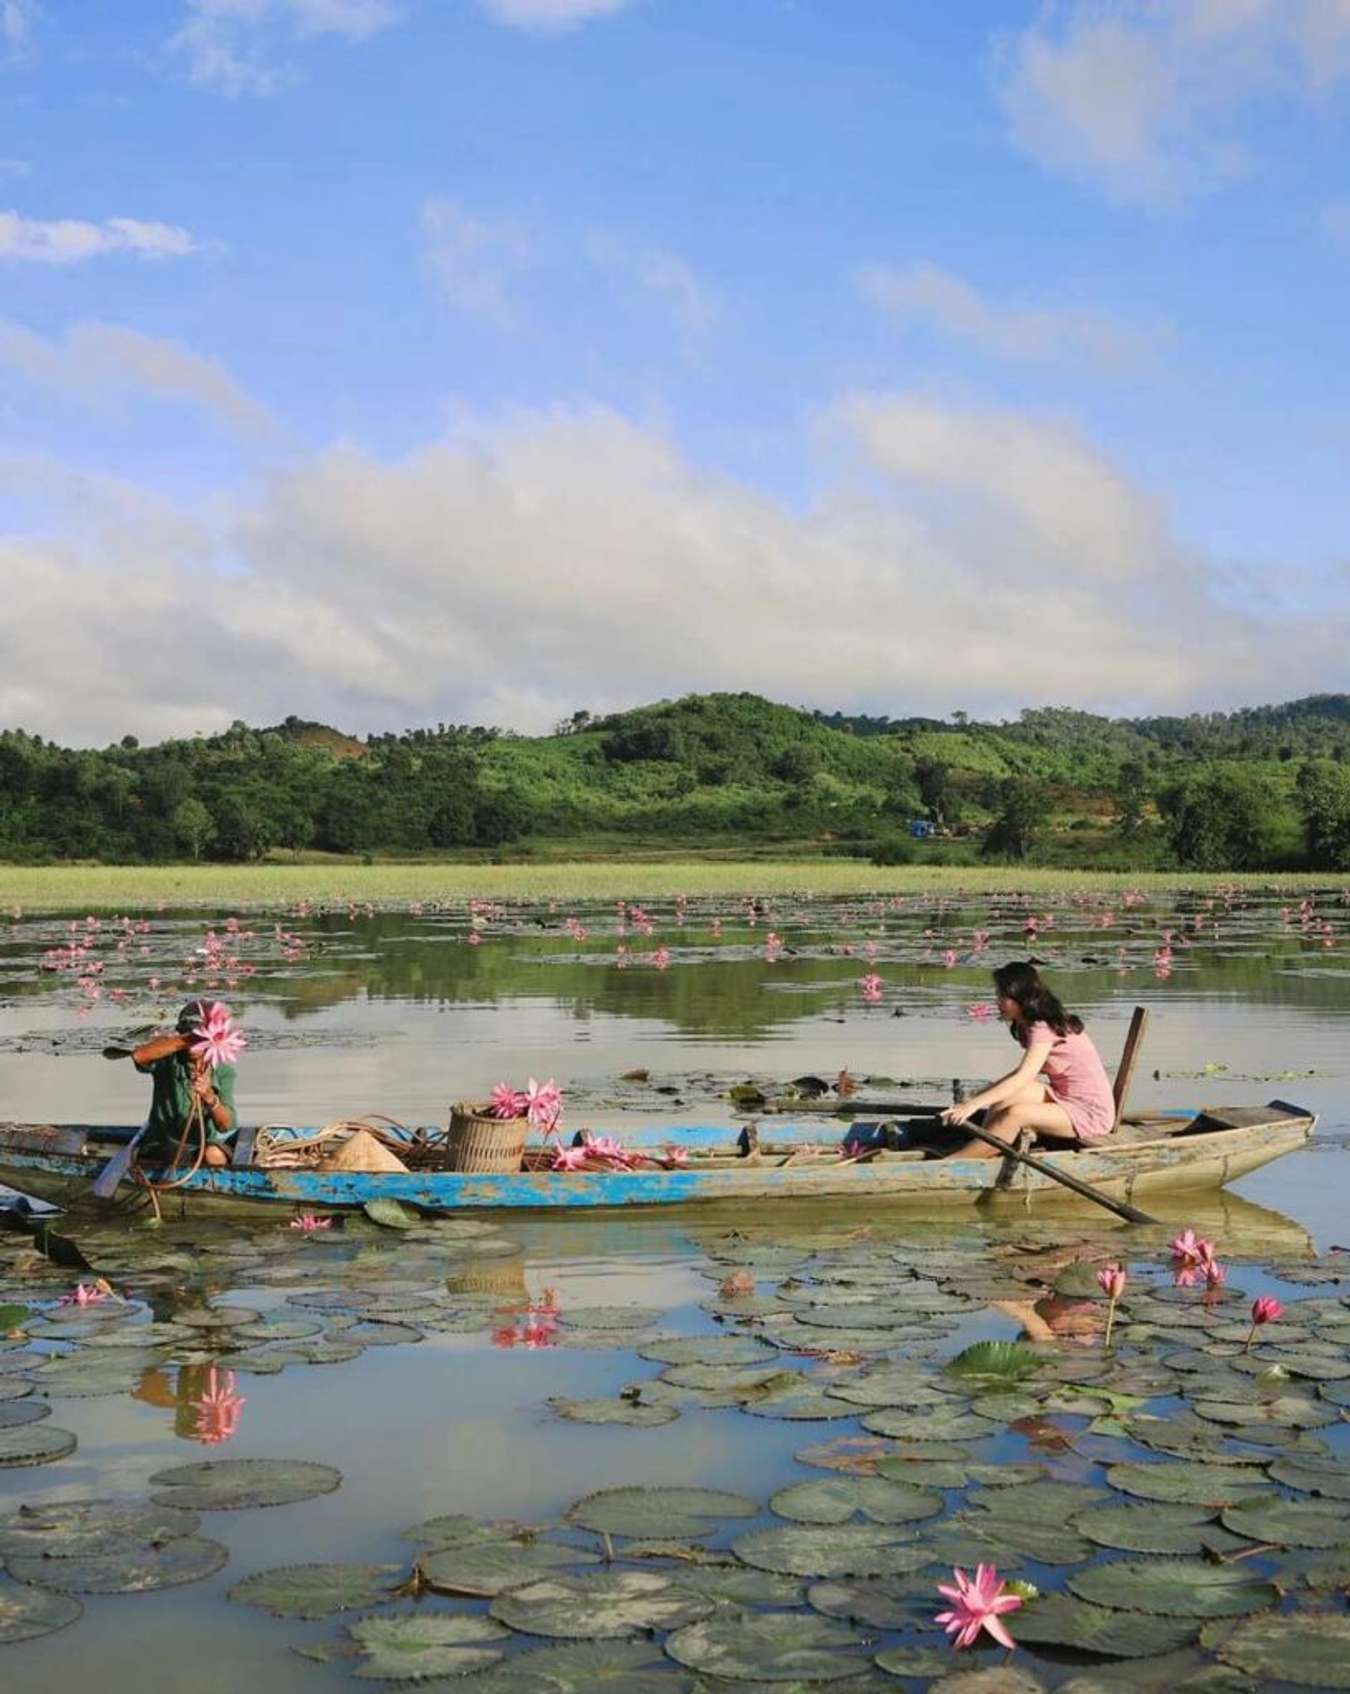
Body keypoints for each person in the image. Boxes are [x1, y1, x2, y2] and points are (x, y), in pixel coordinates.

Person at [940, 961, 1115, 1157]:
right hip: (1063, 1097)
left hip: (1089, 1113)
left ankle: (953, 1163)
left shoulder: (1043, 1027)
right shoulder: (1028, 1024)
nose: (998, 1002)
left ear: (1020, 998)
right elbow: (1020, 1075)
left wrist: (973, 1105)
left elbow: (1023, 1076)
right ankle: (983, 1145)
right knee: (1008, 1096)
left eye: (1003, 997)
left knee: (1016, 1114)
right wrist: (974, 1098)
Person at [131, 1000, 238, 1168]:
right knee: (176, 1155)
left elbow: (226, 1125)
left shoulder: (222, 1070)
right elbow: (139, 1056)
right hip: (163, 1142)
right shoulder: (166, 1058)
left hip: (202, 1142)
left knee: (214, 1154)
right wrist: (189, 1039)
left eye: (202, 1038)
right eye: (190, 1036)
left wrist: (210, 1097)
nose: (195, 1046)